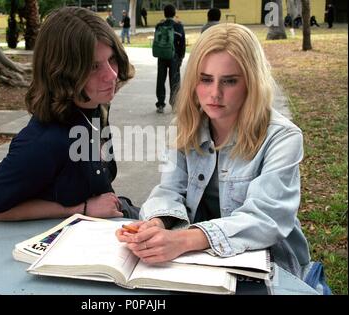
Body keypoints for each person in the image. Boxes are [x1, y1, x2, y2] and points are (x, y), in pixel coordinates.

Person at [116, 23, 331, 294]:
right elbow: (170, 189)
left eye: (229, 81)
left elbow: (265, 218)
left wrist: (182, 239)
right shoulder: (184, 126)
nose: (214, 93)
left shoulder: (283, 137)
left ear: (252, 82)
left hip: (268, 267)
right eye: (205, 79)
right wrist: (157, 224)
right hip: (198, 263)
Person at [0, 7, 137, 221]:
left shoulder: (96, 106)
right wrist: (81, 208)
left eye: (112, 59)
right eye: (93, 66)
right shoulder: (44, 141)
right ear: (62, 72)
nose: (112, 74)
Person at [154, 4, 185, 113]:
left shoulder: (159, 25)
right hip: (174, 56)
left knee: (161, 79)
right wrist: (181, 57)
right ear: (174, 13)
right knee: (175, 80)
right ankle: (174, 104)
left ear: (164, 13)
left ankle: (160, 104)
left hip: (162, 55)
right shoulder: (178, 26)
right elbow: (182, 43)